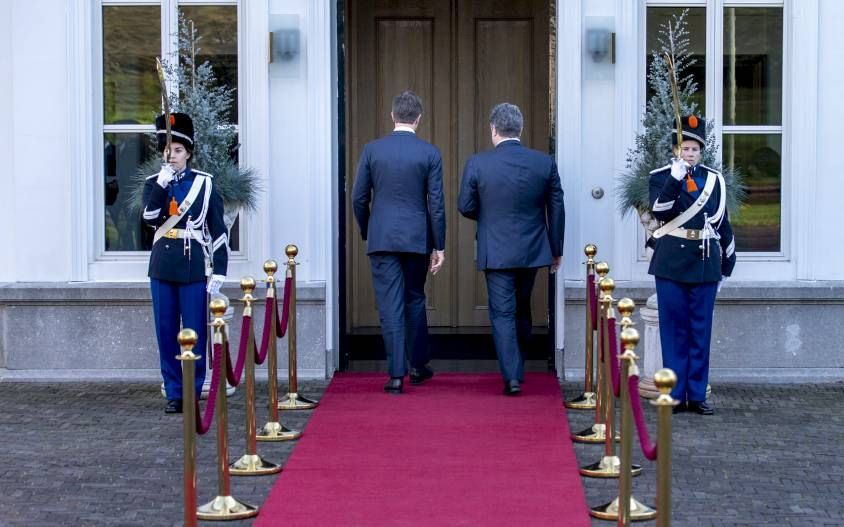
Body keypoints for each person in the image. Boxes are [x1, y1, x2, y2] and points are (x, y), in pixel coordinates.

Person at [457, 103, 565, 396]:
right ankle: (518, 367)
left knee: (502, 312)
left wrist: (488, 216)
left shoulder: (478, 163)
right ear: (521, 128)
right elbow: (556, 208)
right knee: (522, 308)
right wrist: (556, 249)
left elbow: (465, 206)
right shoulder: (544, 163)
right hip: (532, 250)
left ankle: (512, 376)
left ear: (493, 129)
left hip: (496, 249)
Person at [352, 90, 446, 394]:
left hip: (382, 238)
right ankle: (418, 366)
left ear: (393, 116)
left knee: (389, 305)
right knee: (415, 298)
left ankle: (395, 375)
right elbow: (437, 204)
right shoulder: (430, 153)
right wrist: (439, 245)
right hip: (417, 238)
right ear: (419, 119)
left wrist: (369, 229)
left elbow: (358, 197)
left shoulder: (372, 150)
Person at [648, 114, 736, 415]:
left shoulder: (714, 179)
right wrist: (674, 180)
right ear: (676, 150)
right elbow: (659, 213)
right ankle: (673, 393)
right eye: (685, 148)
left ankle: (697, 394)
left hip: (704, 259)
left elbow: (722, 222)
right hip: (671, 260)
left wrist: (727, 262)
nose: (690, 153)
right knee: (673, 330)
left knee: (701, 330)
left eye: (695, 149)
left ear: (701, 151)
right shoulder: (660, 176)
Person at [142, 112, 229, 413]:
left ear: (188, 152)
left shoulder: (204, 185)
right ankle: (174, 392)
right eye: (168, 151)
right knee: (166, 331)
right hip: (163, 266)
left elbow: (218, 231)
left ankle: (192, 390)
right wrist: (160, 188)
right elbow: (149, 219)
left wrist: (219, 270)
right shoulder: (155, 182)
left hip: (193, 265)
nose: (173, 156)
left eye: (178, 150)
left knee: (194, 330)